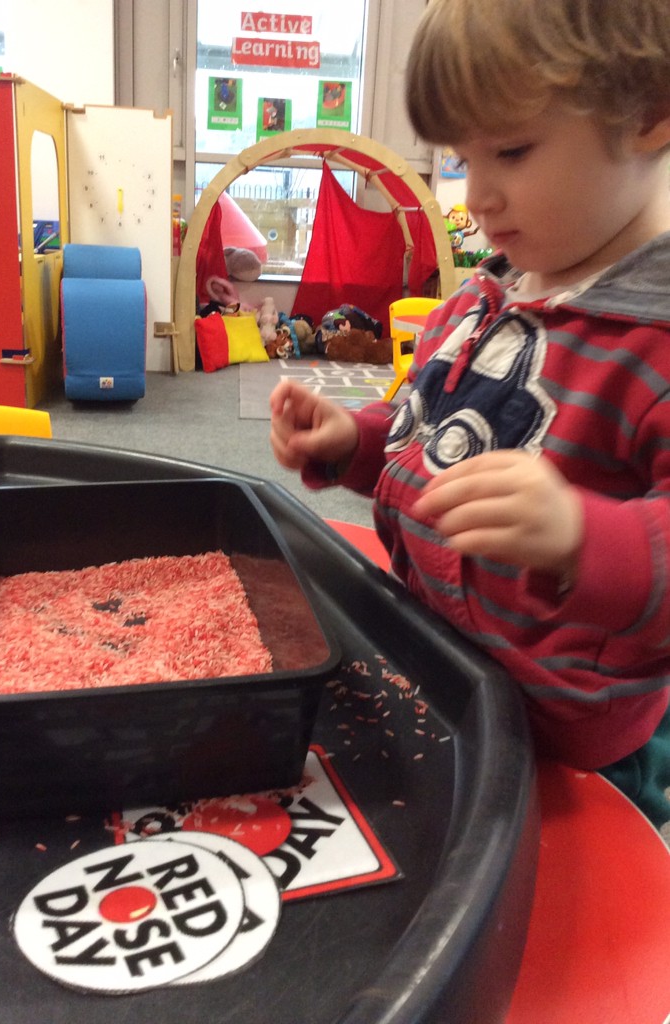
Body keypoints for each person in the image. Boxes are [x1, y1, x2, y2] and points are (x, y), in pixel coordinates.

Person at [270, 0, 670, 830]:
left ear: (651, 112)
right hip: (445, 672)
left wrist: (582, 537)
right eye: (460, 159)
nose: (476, 195)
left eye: (512, 151)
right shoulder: (484, 294)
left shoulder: (656, 341)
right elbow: (432, 434)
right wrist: (354, 442)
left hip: (571, 745)